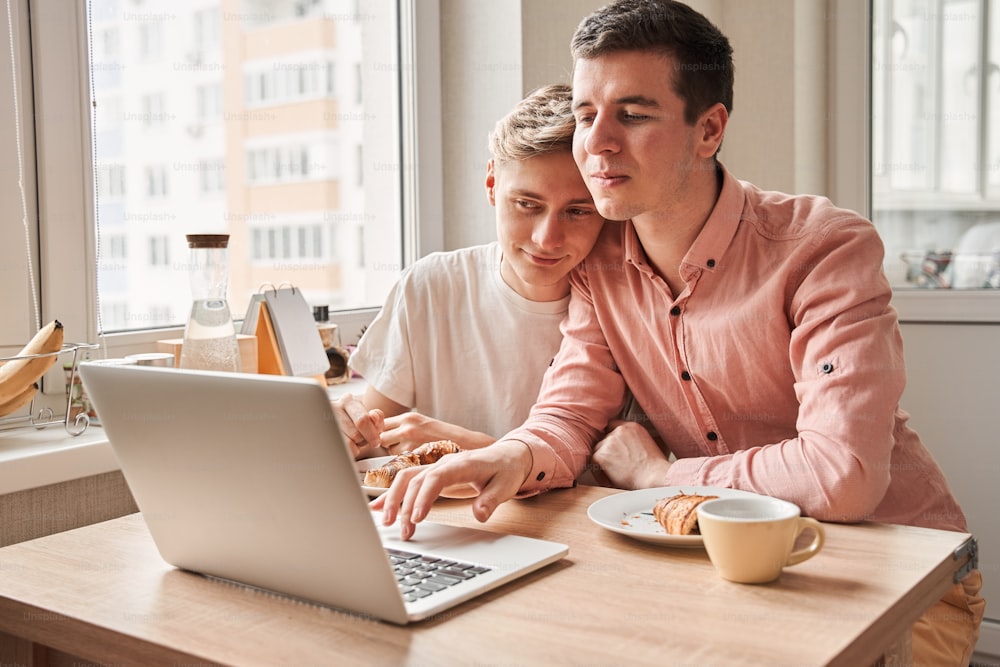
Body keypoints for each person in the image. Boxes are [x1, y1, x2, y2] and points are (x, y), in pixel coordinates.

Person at [373, 1, 985, 663]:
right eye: (585, 115)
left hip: (890, 573)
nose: (597, 143)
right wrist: (508, 457)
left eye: (632, 114)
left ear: (708, 129)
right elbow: (569, 411)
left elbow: (843, 475)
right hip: (722, 568)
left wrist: (664, 476)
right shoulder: (601, 263)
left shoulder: (821, 249)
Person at [335, 84, 605, 458]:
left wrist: (469, 450)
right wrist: (344, 433)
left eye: (578, 211)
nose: (547, 239)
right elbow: (370, 444)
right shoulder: (429, 287)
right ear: (492, 183)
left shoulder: (625, 309)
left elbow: (615, 483)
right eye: (527, 204)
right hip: (437, 516)